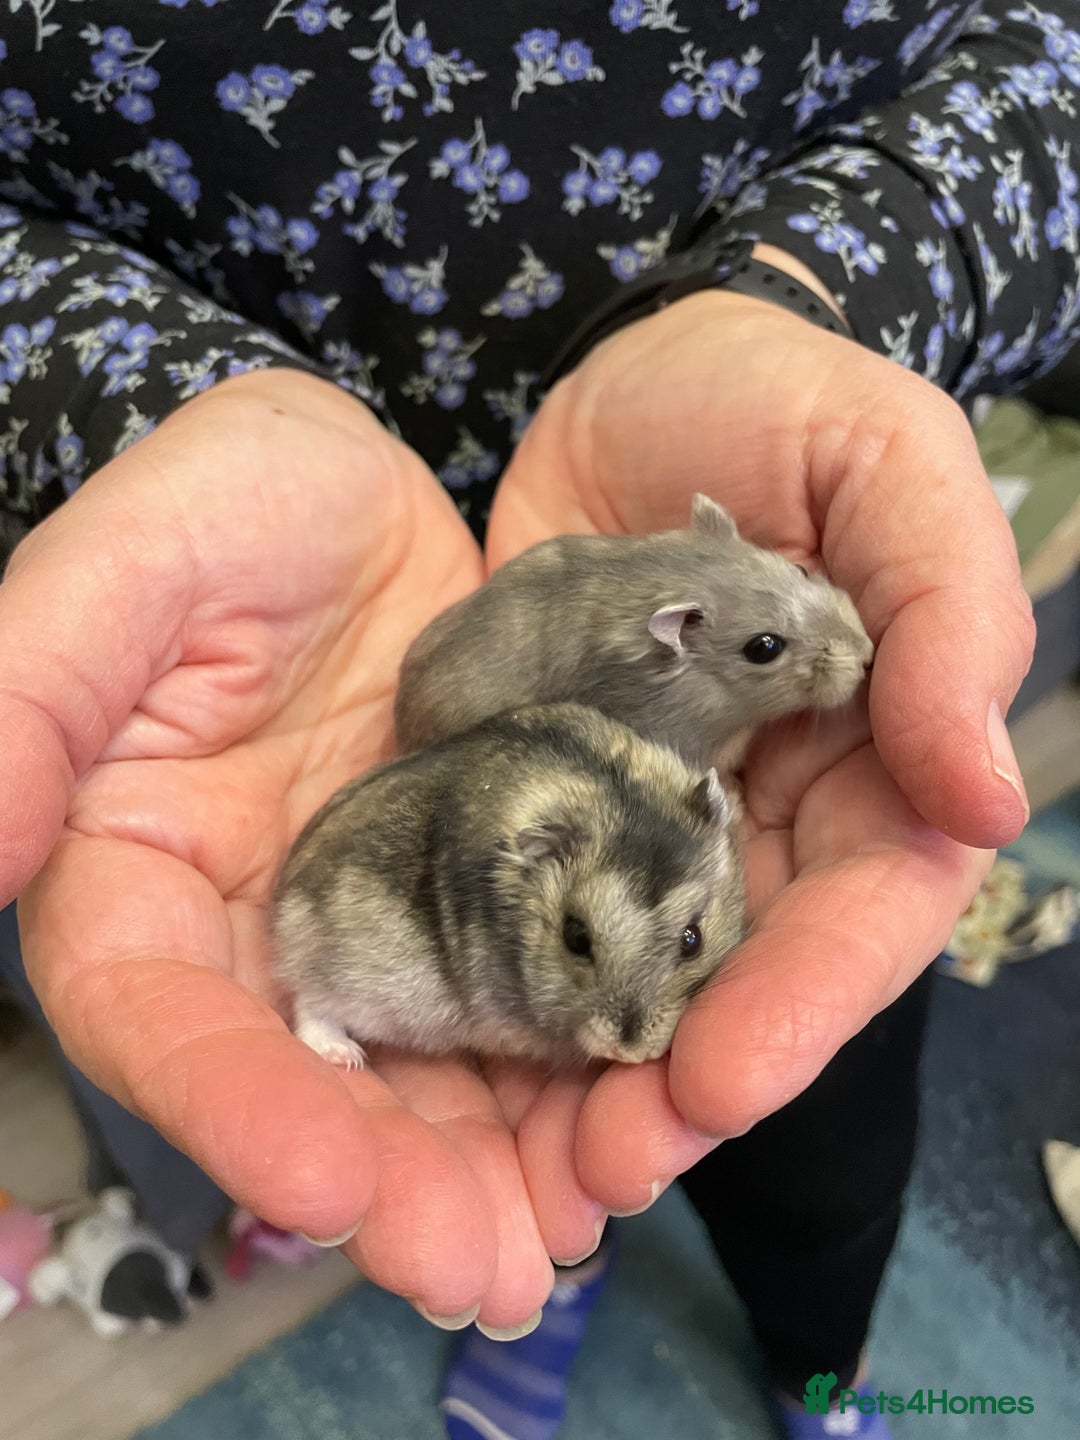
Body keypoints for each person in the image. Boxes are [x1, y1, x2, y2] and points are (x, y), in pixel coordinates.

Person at [0, 2, 1060, 1435]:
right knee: (572, 1160)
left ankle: (825, 1363)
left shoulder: (696, 719)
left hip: (686, 398)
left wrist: (805, 282)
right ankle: (566, 1271)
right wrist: (140, 394)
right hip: (314, 562)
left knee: (819, 1133)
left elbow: (1045, 60)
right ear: (677, 640)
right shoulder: (586, 731)